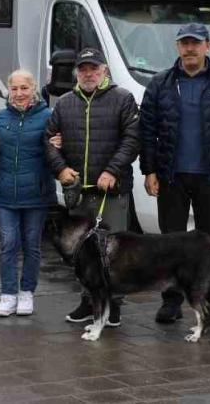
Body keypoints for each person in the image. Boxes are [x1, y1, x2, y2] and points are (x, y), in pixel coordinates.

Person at [139, 22, 210, 328]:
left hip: (209, 176)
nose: (190, 48)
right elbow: (147, 130)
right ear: (177, 47)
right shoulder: (160, 84)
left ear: (208, 46)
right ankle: (171, 302)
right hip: (172, 176)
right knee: (169, 242)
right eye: (184, 43)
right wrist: (149, 170)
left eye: (195, 43)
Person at [45, 47, 141, 327]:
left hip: (112, 191)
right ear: (77, 72)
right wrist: (61, 168)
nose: (89, 73)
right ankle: (89, 301)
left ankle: (114, 304)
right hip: (79, 192)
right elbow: (48, 141)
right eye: (83, 69)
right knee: (83, 252)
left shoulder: (123, 99)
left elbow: (132, 140)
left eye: (94, 68)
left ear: (104, 71)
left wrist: (112, 170)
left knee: (114, 251)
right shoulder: (64, 103)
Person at [0, 70, 55, 318]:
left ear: (34, 89)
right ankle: (7, 295)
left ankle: (27, 292)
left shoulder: (48, 117)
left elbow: (56, 151)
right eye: (14, 89)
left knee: (32, 245)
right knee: (8, 244)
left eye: (24, 88)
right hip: (5, 192)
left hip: (36, 193)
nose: (19, 94)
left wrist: (59, 144)